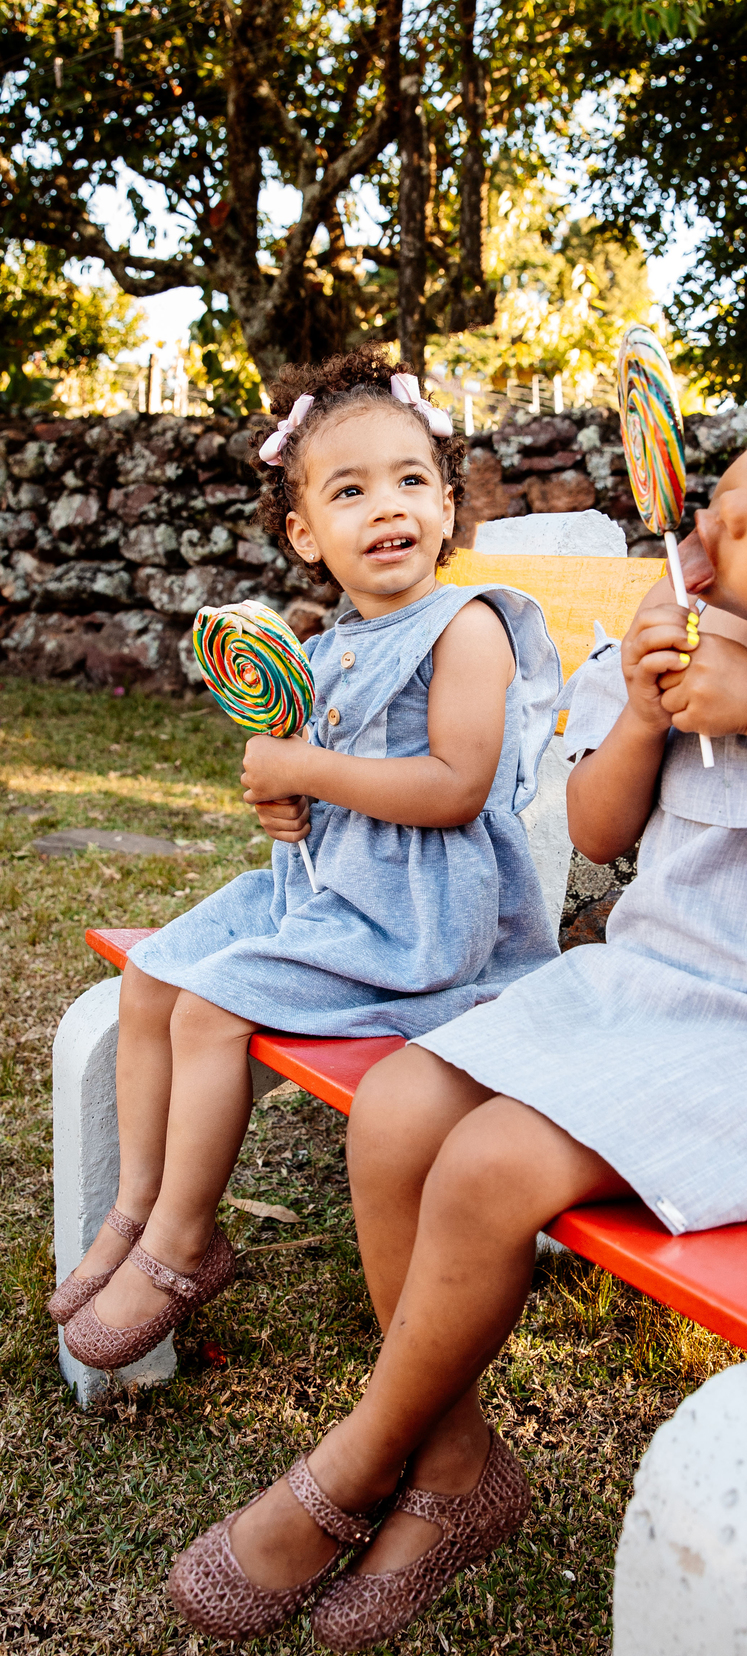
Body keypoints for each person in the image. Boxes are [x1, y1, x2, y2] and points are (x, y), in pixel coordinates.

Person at [167, 346, 747, 1647]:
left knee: (487, 1168)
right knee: (395, 1114)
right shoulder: (677, 615)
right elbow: (598, 831)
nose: (725, 510)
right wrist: (651, 716)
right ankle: (454, 1465)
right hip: (645, 990)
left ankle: (351, 1471)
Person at [51, 346, 562, 1373]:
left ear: (449, 505)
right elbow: (308, 775)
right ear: (305, 532)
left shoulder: (468, 629)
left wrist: (310, 770)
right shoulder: (322, 647)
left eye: (412, 481)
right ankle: (140, 1208)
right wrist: (278, 791)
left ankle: (186, 1244)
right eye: (351, 489)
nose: (389, 507)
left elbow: (454, 787)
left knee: (209, 1009)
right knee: (153, 977)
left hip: (424, 917)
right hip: (327, 892)